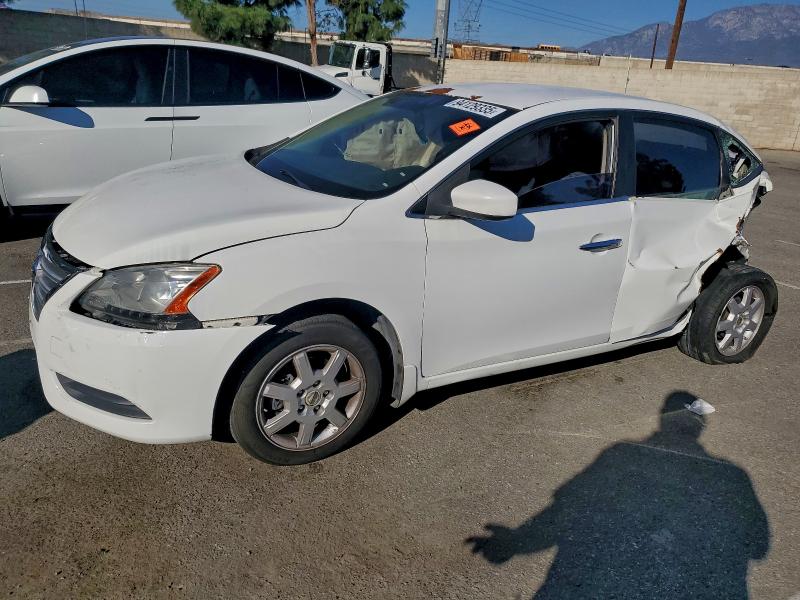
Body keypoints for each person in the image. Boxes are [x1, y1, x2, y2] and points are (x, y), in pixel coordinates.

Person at [466, 391, 770, 599]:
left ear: (664, 419)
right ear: (699, 427)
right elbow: (758, 546)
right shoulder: (732, 476)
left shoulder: (623, 456)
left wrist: (516, 542)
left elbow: (569, 507)